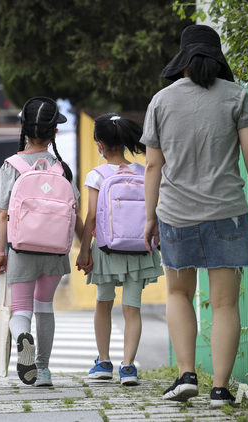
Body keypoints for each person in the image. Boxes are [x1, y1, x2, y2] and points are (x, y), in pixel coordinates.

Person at [141, 24, 248, 407]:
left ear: (183, 61)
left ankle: (186, 376)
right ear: (217, 60)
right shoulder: (236, 96)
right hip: (226, 213)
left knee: (179, 294)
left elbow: (152, 167)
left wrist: (150, 217)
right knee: (225, 303)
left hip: (175, 214)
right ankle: (220, 389)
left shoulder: (161, 101)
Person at [0, 96, 84, 387]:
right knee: (45, 306)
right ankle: (43, 370)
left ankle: (23, 337)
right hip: (56, 253)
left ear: (23, 128)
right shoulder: (63, 170)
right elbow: (75, 214)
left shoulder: (12, 165)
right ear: (54, 133)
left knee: (21, 309)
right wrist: (87, 248)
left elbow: (2, 214)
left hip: (22, 249)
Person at [76, 113, 164, 386]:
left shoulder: (97, 174)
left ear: (99, 144)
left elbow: (91, 217)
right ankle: (128, 368)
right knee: (132, 309)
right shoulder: (141, 172)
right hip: (139, 248)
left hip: (106, 249)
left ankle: (103, 362)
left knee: (103, 304)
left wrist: (84, 250)